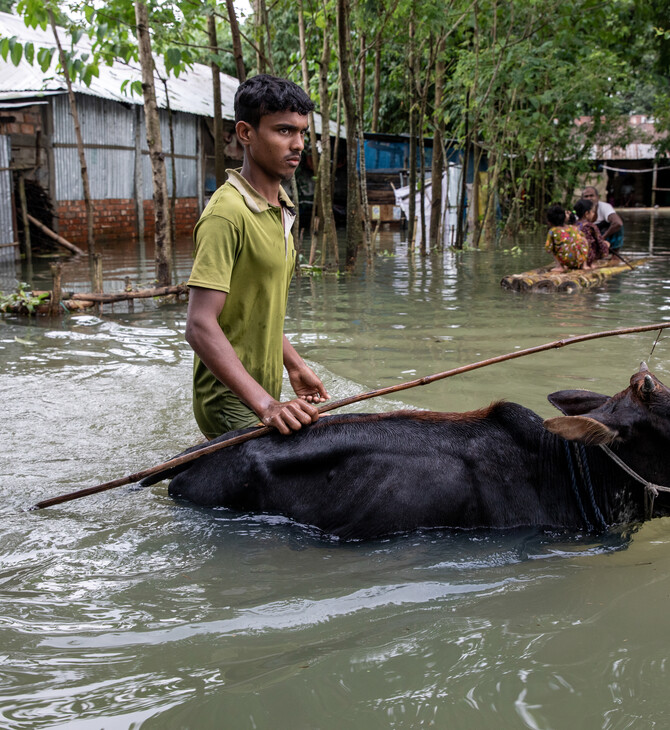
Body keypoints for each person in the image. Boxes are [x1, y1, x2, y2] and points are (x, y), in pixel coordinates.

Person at [185, 74, 330, 439]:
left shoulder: (281, 207)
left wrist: (294, 366)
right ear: (246, 133)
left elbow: (257, 309)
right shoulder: (226, 213)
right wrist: (266, 405)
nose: (298, 144)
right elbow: (199, 325)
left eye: (301, 132)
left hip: (263, 391)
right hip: (231, 400)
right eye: (284, 131)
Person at [544, 203, 589, 272]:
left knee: (552, 246)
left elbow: (548, 249)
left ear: (549, 222)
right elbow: (584, 239)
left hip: (567, 261)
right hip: (579, 260)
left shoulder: (552, 231)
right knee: (583, 240)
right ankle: (584, 265)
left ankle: (559, 267)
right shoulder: (573, 228)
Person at [582, 185, 624, 251]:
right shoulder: (579, 208)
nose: (589, 198)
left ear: (597, 197)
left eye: (591, 196)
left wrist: (602, 238)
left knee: (618, 226)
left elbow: (618, 223)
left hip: (602, 234)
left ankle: (615, 253)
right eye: (586, 196)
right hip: (587, 236)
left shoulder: (605, 207)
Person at [574, 198, 609, 266]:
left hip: (574, 257)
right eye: (592, 212)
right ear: (587, 213)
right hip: (587, 258)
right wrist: (606, 246)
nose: (593, 214)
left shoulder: (573, 225)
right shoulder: (591, 226)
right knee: (605, 244)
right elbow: (600, 244)